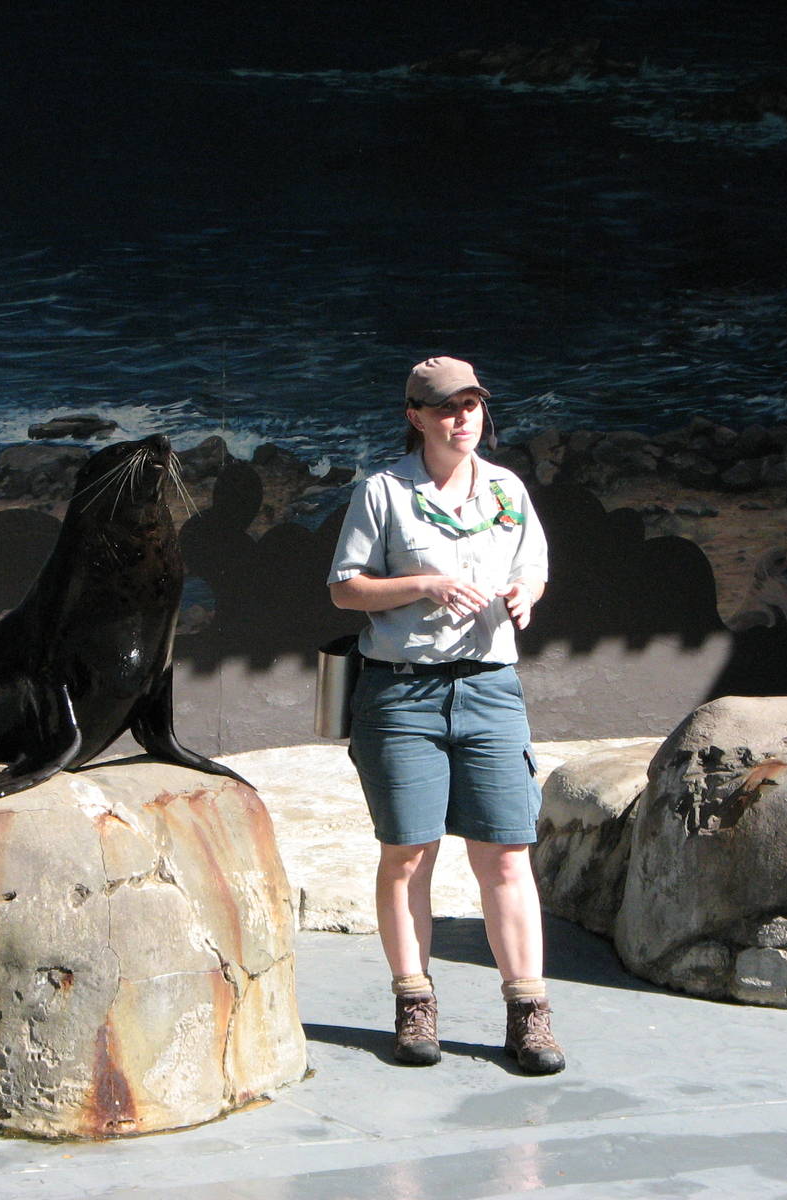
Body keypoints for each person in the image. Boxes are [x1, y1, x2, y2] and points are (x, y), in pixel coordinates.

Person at [327, 356, 564, 1075]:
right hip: (402, 693)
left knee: (505, 852)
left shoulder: (506, 489)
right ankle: (414, 1002)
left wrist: (527, 594)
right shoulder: (383, 494)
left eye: (472, 405)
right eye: (448, 407)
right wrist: (422, 584)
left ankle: (529, 1013)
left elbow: (534, 565)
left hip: (490, 689)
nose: (464, 418)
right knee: (408, 853)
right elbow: (345, 589)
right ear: (417, 417)